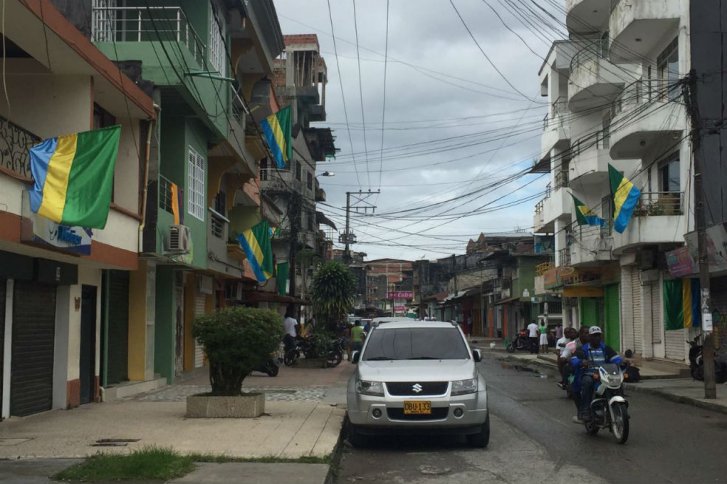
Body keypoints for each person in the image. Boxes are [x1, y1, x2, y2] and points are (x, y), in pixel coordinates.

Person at [570, 326, 625, 423]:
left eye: (599, 335)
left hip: (605, 375)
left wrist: (621, 362)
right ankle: (585, 411)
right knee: (587, 382)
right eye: (594, 336)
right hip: (589, 374)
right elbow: (574, 360)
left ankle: (621, 406)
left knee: (619, 382)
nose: (597, 338)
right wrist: (581, 362)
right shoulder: (582, 349)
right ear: (590, 337)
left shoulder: (606, 348)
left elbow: (615, 358)